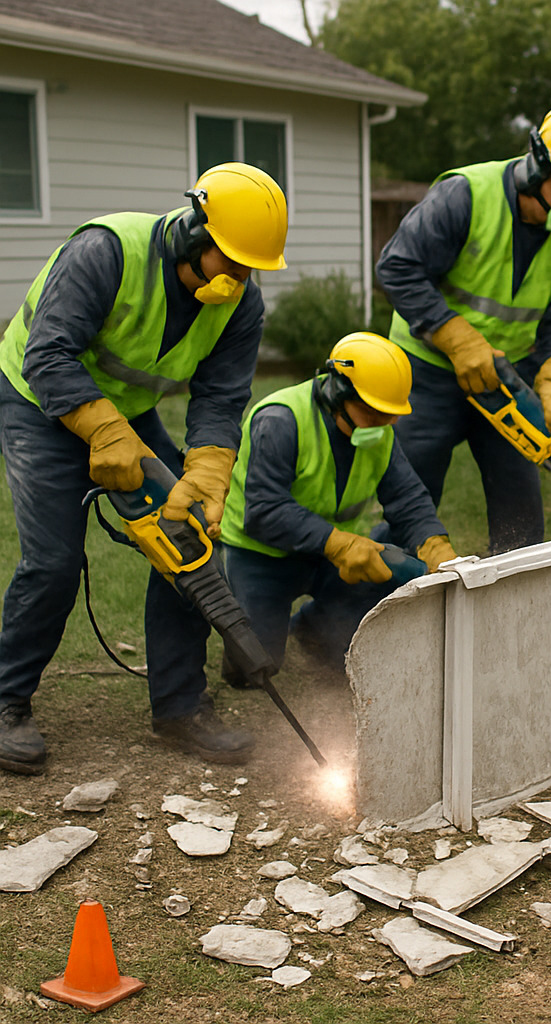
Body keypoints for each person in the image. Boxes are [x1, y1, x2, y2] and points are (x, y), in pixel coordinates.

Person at [0, 162, 288, 772]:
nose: (238, 279)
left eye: (249, 269)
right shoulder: (106, 252)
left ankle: (181, 707)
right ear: (193, 233)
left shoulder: (240, 304)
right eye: (230, 261)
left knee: (189, 541)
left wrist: (208, 468)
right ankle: (6, 700)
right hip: (34, 400)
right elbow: (46, 355)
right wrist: (102, 430)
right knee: (53, 562)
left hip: (127, 412)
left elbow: (220, 396)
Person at [375, 102, 551, 553]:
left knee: (520, 514)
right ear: (537, 167)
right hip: (426, 374)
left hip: (508, 379)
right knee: (410, 505)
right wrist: (456, 338)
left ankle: (509, 614)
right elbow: (398, 268)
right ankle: (352, 616)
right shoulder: (464, 196)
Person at [218, 332, 457, 684]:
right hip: (262, 554)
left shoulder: (377, 430)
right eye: (374, 412)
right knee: (253, 670)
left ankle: (311, 627)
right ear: (337, 392)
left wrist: (436, 547)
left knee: (344, 646)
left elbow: (407, 498)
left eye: (389, 415)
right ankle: (262, 631)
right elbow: (265, 512)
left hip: (327, 552)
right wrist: (340, 543)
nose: (383, 423)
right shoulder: (281, 421)